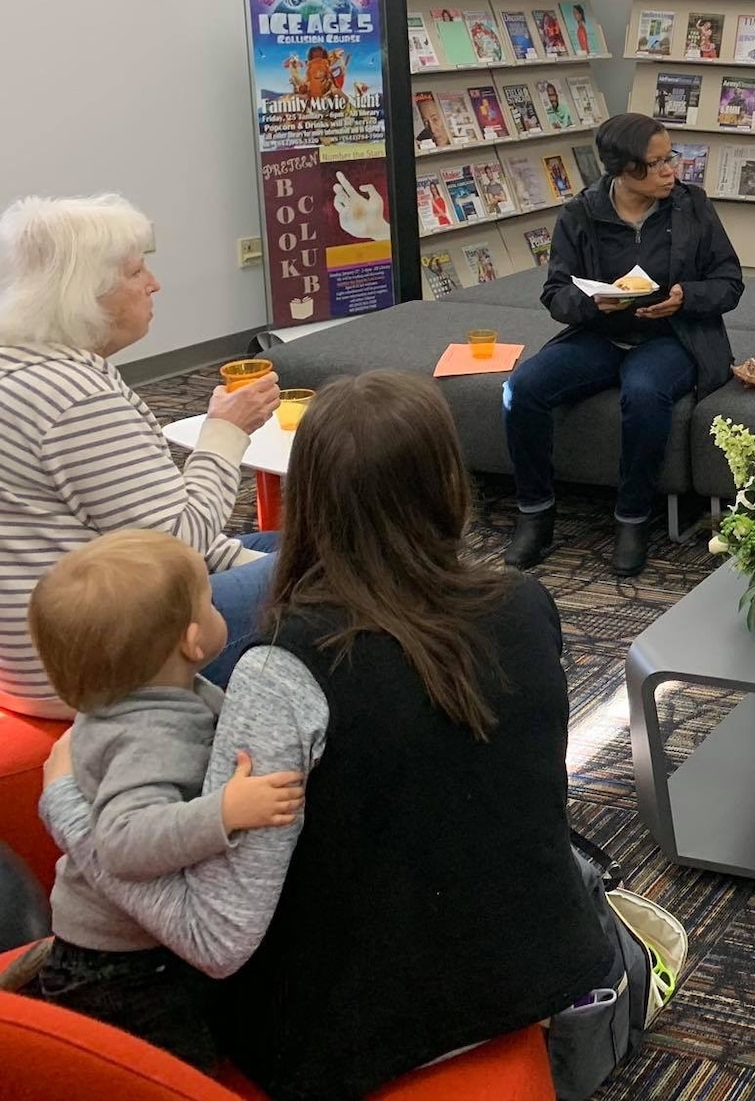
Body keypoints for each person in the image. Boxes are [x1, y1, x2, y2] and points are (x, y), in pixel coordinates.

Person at [38, 371, 607, 1100]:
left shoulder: (282, 669)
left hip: (358, 1033)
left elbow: (216, 939)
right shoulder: (528, 603)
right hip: (534, 971)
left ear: (304, 497)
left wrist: (68, 811)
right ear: (447, 484)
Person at [24, 531, 303, 1070]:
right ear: (192, 641)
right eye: (208, 598)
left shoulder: (151, 696)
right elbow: (124, 842)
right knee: (172, 1071)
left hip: (129, 951)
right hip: (120, 970)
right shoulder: (150, 735)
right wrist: (223, 812)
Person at [0, 195, 281, 718]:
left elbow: (135, 526)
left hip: (50, 642)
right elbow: (175, 544)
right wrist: (225, 430)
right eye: (136, 271)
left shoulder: (28, 367)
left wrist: (256, 561)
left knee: (314, 543)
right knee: (366, 565)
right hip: (102, 657)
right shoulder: (75, 398)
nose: (154, 284)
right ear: (83, 295)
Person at [504, 113, 743, 576]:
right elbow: (555, 295)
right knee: (522, 390)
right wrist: (598, 303)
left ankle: (632, 518)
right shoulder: (581, 213)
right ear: (622, 169)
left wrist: (685, 297)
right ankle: (534, 513)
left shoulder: (692, 206)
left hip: (674, 336)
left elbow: (729, 282)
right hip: (600, 333)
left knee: (645, 392)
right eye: (655, 164)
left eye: (670, 157)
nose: (670, 170)